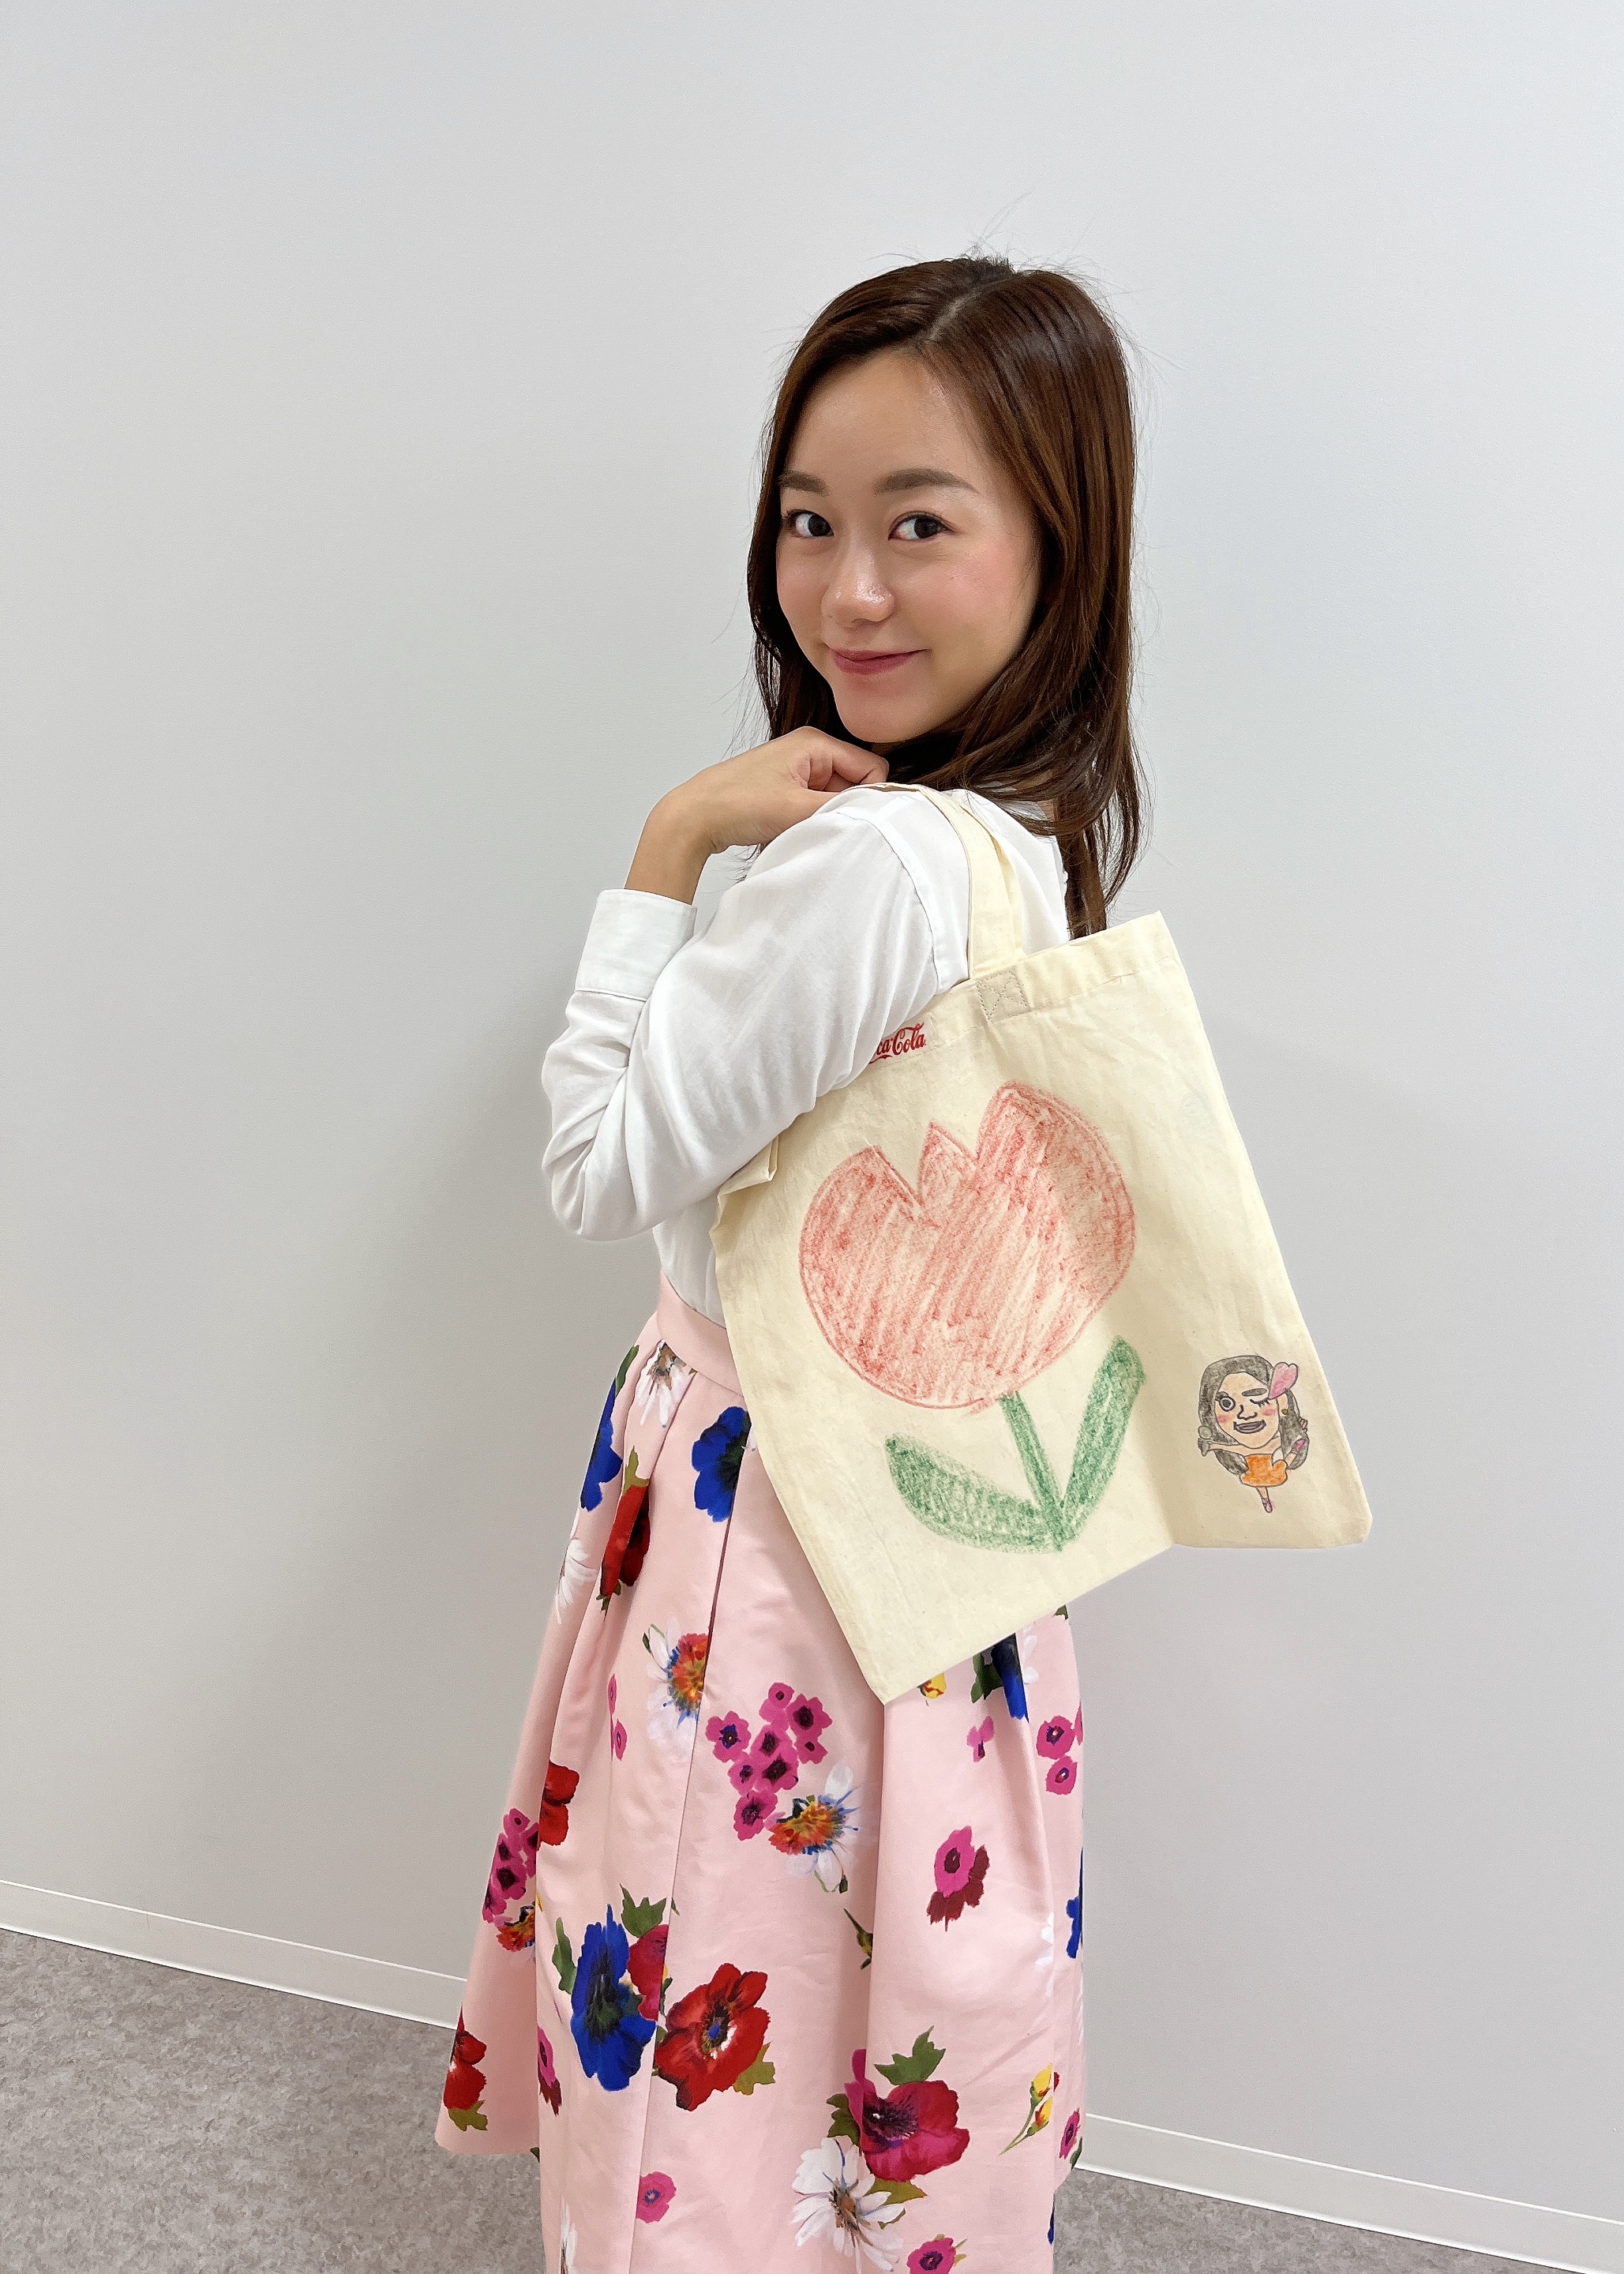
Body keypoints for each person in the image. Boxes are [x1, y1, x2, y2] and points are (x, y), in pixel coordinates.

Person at [436, 253, 1146, 2274]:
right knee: (859, 2014)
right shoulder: (1017, 838)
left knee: (697, 1991)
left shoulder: (873, 861)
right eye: (810, 522)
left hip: (769, 1529)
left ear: (1056, 546)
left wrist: (671, 841)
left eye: (920, 524)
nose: (847, 591)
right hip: (925, 1530)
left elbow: (595, 1168)